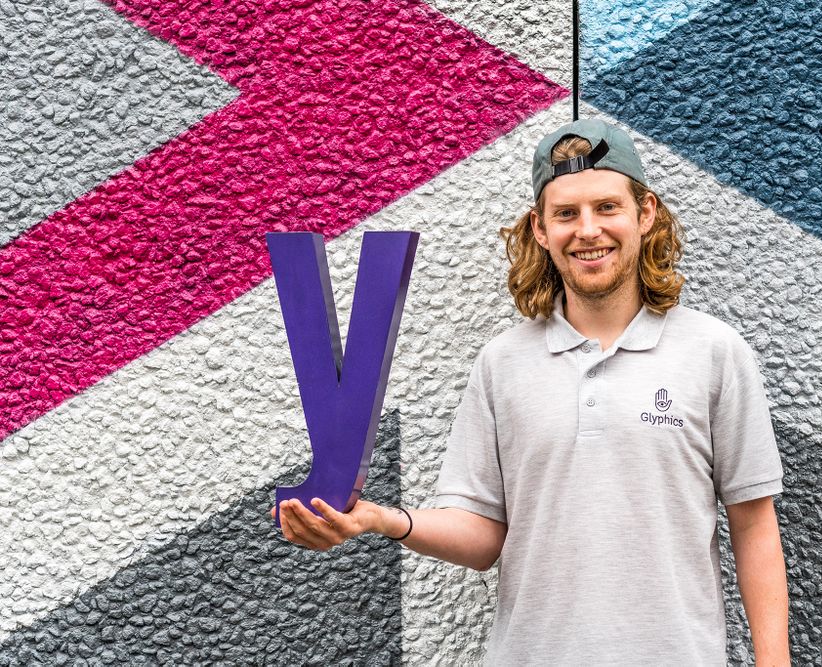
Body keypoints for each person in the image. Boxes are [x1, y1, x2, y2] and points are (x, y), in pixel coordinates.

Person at [272, 119, 790, 665]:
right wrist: (384, 519)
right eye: (566, 213)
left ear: (645, 214)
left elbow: (753, 525)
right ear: (541, 230)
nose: (587, 230)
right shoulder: (503, 364)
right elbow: (481, 535)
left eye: (606, 207)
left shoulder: (713, 352)